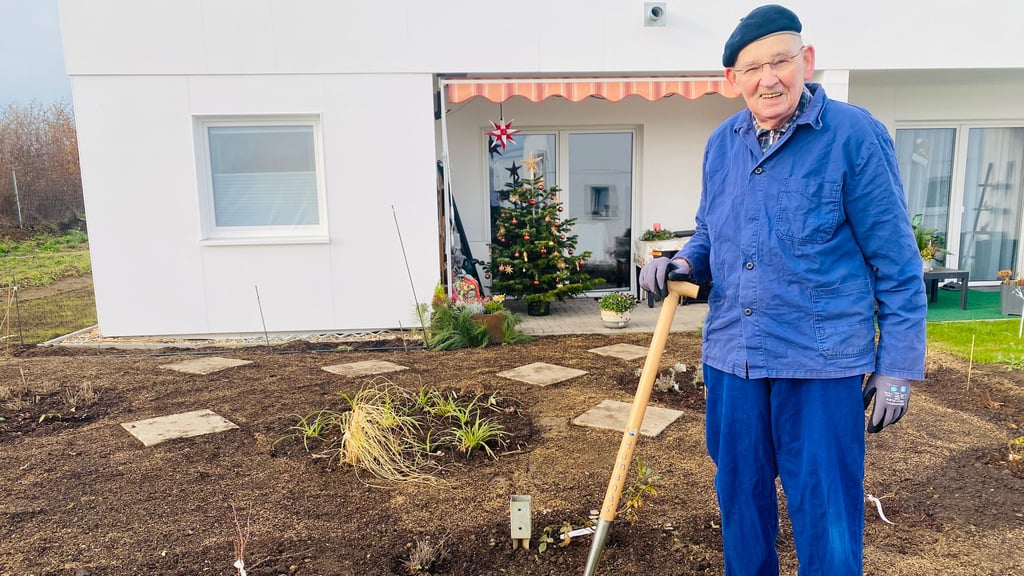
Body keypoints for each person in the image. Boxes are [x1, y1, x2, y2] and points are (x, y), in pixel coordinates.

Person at [639, 4, 926, 575]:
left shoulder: (854, 136)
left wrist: (898, 365)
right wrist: (682, 262)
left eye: (781, 61)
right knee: (741, 509)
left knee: (826, 518)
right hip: (733, 359)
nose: (768, 78)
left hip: (819, 364)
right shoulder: (722, 144)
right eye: (752, 68)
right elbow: (712, 232)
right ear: (733, 80)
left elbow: (897, 261)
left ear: (807, 61)